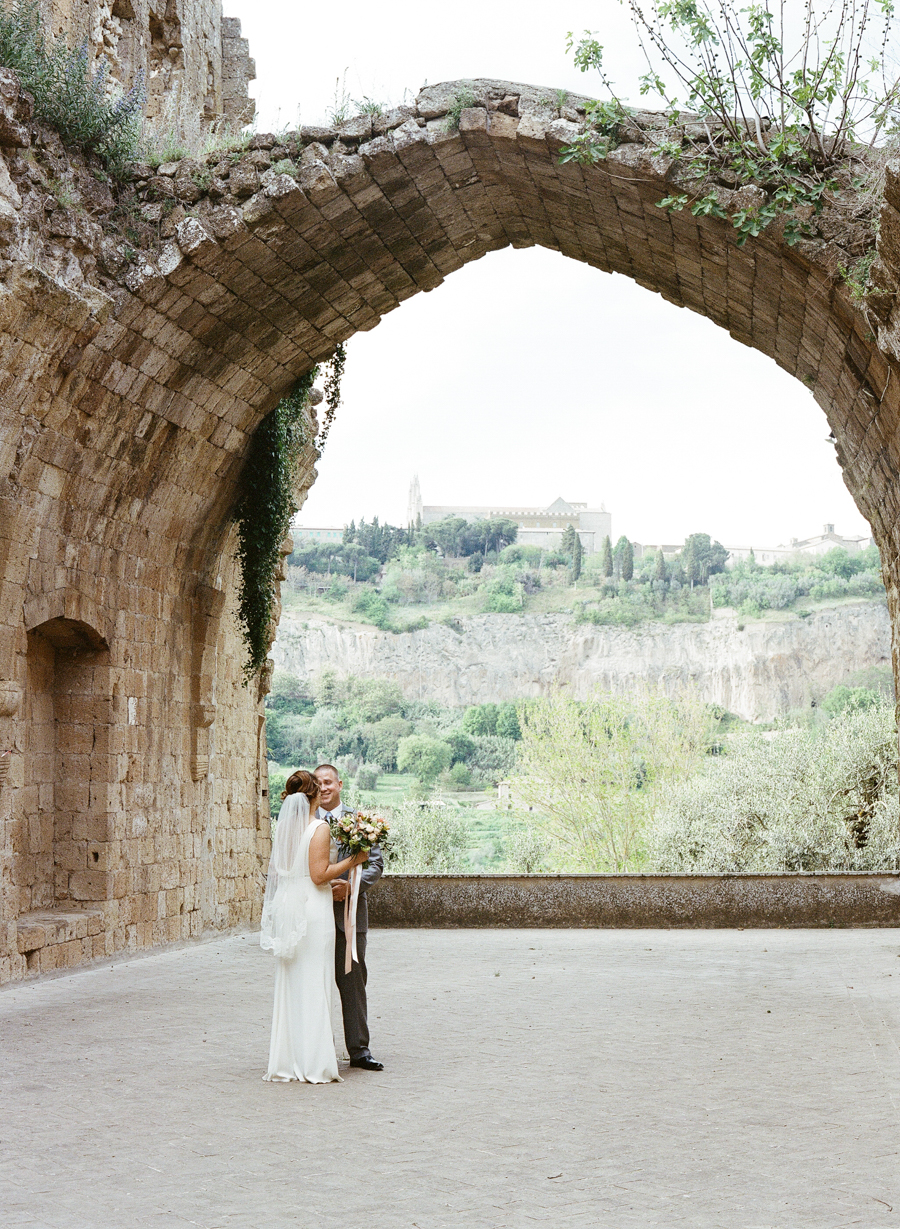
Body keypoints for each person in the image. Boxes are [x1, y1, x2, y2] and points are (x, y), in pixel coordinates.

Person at [261, 769, 367, 1083]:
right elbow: (319, 875)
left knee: (293, 983)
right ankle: (314, 1062)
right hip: (313, 909)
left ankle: (288, 1058)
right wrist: (353, 860)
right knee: (315, 982)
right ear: (311, 796)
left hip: (291, 905)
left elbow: (294, 871)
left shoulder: (286, 829)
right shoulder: (318, 828)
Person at [314, 763, 385, 1071]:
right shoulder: (305, 821)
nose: (324, 787)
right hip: (313, 916)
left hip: (350, 917)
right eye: (318, 783)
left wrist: (351, 886)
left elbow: (375, 865)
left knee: (353, 984)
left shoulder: (358, 822)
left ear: (339, 784)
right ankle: (317, 1049)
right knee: (313, 983)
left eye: (328, 782)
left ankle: (359, 1050)